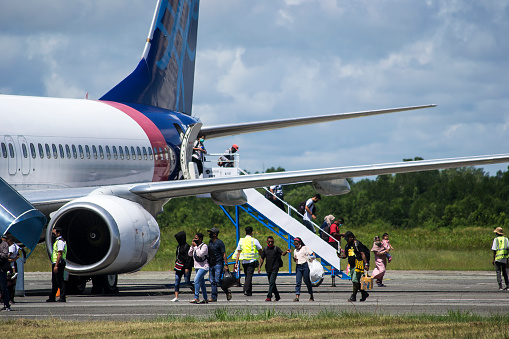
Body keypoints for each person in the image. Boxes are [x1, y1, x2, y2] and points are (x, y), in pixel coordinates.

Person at [258, 236, 290, 302]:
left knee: (271, 283)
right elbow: (262, 258)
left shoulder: (276, 248)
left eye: (272, 242)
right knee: (272, 283)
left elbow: (282, 254)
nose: (270, 243)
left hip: (275, 268)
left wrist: (286, 252)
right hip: (268, 268)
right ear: (267, 242)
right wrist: (259, 267)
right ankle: (277, 296)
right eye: (269, 241)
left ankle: (269, 296)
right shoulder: (265, 249)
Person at [340, 231, 370, 302]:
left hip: (358, 264)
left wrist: (366, 264)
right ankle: (364, 293)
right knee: (355, 282)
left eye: (348, 239)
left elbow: (363, 254)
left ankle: (353, 297)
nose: (347, 240)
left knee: (355, 280)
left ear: (352, 237)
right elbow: (345, 255)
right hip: (352, 265)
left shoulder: (358, 244)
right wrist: (340, 256)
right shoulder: (347, 245)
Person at [235, 226, 262, 296]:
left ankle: (249, 291)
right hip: (252, 261)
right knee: (249, 277)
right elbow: (260, 249)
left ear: (245, 232)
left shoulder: (241, 241)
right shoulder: (254, 240)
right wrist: (262, 256)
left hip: (244, 262)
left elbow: (238, 252)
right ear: (252, 232)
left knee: (247, 276)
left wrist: (236, 262)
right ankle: (246, 289)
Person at [207, 227, 232, 302]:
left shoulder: (220, 243)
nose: (210, 234)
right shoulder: (210, 242)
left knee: (217, 280)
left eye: (211, 233)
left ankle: (227, 291)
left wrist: (226, 264)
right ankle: (214, 297)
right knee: (212, 281)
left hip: (218, 263)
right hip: (211, 263)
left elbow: (223, 254)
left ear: (215, 234)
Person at [46, 227, 67, 302]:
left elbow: (60, 254)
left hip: (59, 263)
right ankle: (52, 296)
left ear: (58, 233)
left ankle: (62, 297)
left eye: (54, 233)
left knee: (60, 280)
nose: (53, 235)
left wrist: (56, 265)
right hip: (56, 262)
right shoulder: (57, 241)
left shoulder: (60, 242)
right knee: (55, 281)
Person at [171, 231, 193, 302]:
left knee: (187, 281)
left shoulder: (187, 247)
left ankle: (195, 292)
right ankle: (176, 296)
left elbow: (189, 258)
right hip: (179, 266)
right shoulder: (178, 246)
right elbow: (177, 256)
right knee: (177, 281)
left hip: (185, 267)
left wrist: (187, 267)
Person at [188, 233, 209, 304]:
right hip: (197, 267)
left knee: (196, 280)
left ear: (200, 239)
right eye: (194, 238)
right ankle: (205, 298)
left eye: (196, 238)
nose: (194, 240)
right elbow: (189, 254)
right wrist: (192, 246)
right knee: (202, 283)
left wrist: (196, 247)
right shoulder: (195, 247)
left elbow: (200, 254)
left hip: (204, 267)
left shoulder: (204, 246)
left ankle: (196, 297)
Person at [292, 237, 315, 302]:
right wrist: (294, 259)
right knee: (298, 282)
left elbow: (312, 253)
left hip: (305, 265)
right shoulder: (295, 250)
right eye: (295, 244)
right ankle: (297, 296)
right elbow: (296, 259)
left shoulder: (305, 248)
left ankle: (311, 295)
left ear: (300, 243)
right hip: (298, 266)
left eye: (297, 244)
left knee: (307, 281)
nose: (296, 245)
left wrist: (312, 258)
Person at [6, 235, 20, 304]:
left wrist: (9, 259)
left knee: (10, 283)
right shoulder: (15, 246)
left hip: (10, 263)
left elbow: (10, 254)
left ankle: (10, 298)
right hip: (10, 262)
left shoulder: (11, 247)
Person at [0, 234, 11, 311]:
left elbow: (4, 255)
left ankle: (7, 304)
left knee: (3, 287)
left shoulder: (4, 244)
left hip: (2, 269)